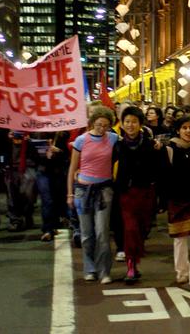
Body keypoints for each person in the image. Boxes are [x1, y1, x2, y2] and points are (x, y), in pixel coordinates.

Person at [67, 106, 119, 284]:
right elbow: (72, 169)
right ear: (91, 123)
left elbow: (128, 145)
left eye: (106, 125)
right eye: (98, 125)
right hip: (82, 191)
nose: (102, 129)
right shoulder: (81, 141)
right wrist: (69, 194)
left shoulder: (113, 139)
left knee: (102, 232)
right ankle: (90, 268)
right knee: (87, 234)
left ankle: (105, 271)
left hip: (104, 190)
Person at [115, 106, 164, 283]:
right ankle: (130, 265)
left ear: (140, 124)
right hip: (126, 193)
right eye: (126, 121)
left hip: (146, 193)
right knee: (130, 229)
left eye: (134, 121)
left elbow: (160, 168)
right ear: (121, 124)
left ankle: (135, 259)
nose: (130, 125)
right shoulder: (118, 144)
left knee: (143, 229)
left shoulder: (151, 144)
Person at [162, 117, 190, 291]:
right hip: (176, 198)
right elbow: (163, 175)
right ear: (178, 130)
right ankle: (182, 271)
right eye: (184, 128)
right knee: (180, 239)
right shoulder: (169, 149)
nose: (188, 131)